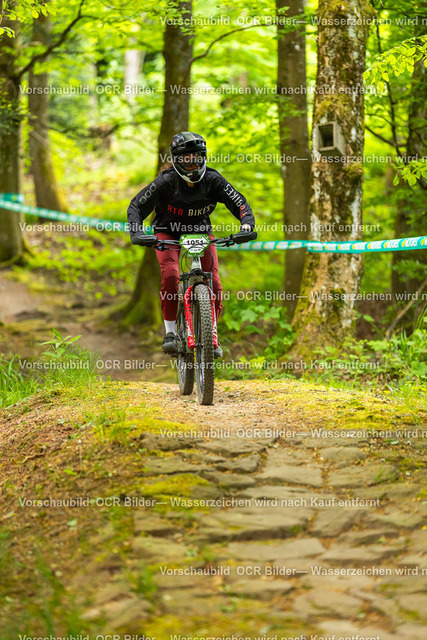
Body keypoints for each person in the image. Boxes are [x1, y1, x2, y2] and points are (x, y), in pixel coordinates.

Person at [127, 131, 255, 358]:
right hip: (167, 232)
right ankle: (170, 333)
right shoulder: (166, 181)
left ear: (204, 157)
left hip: (200, 232)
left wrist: (246, 225)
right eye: (186, 158)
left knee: (215, 282)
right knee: (171, 276)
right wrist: (137, 231)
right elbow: (136, 205)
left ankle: (211, 333)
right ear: (176, 159)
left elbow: (239, 202)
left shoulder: (213, 180)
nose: (193, 163)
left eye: (197, 157)